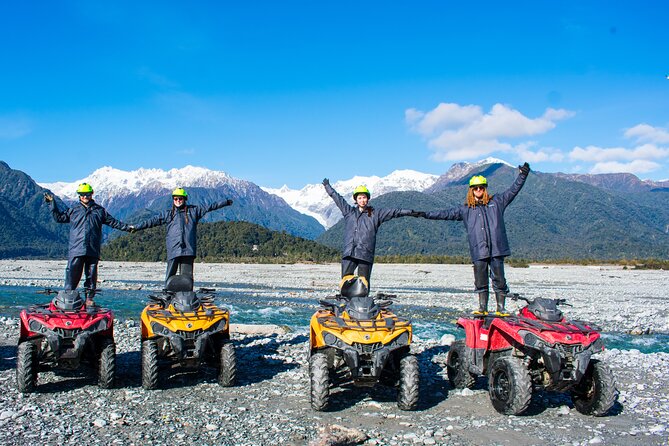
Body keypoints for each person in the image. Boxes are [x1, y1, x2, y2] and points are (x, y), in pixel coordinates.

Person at [423, 163, 530, 316]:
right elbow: (444, 214)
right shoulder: (466, 209)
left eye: (481, 187)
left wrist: (523, 175)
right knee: (481, 281)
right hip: (479, 250)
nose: (479, 190)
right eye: (475, 188)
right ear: (471, 190)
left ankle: (501, 308)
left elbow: (514, 190)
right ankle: (482, 308)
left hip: (496, 249)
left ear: (485, 189)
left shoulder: (497, 202)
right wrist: (423, 214)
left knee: (499, 280)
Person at [322, 179, 424, 289]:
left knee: (364, 284)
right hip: (349, 253)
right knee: (346, 283)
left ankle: (363, 304)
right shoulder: (349, 212)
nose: (362, 200)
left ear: (368, 199)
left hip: (365, 253)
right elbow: (338, 199)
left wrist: (411, 212)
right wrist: (328, 187)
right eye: (359, 198)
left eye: (364, 197)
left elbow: (395, 212)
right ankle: (346, 303)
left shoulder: (376, 214)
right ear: (356, 199)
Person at [45, 182, 135, 305]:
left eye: (87, 194)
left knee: (91, 275)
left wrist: (127, 228)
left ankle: (89, 299)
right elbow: (58, 218)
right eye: (82, 194)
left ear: (91, 194)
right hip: (76, 248)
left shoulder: (100, 211)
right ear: (79, 196)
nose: (85, 196)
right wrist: (52, 204)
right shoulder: (73, 210)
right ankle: (68, 297)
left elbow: (113, 222)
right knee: (72, 273)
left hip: (92, 248)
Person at [134, 187, 233, 285]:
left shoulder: (194, 211)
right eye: (176, 198)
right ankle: (168, 295)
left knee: (187, 279)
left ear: (185, 199)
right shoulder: (168, 214)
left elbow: (210, 206)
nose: (178, 201)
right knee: (169, 277)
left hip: (188, 250)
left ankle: (187, 296)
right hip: (173, 249)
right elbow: (150, 222)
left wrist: (225, 202)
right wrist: (136, 227)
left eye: (180, 198)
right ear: (173, 200)